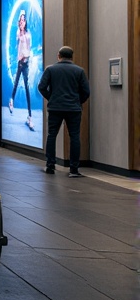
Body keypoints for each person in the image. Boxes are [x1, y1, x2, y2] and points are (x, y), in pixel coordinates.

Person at [38, 46, 90, 177]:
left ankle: (50, 166)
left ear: (58, 55)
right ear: (72, 57)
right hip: (73, 109)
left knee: (51, 135)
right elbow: (86, 92)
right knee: (74, 137)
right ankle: (73, 169)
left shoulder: (50, 69)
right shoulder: (79, 71)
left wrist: (52, 97)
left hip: (55, 108)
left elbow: (41, 87)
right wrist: (78, 101)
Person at [8, 9, 35, 130]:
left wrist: (26, 57)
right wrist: (21, 14)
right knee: (16, 83)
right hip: (20, 63)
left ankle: (30, 117)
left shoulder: (28, 34)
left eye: (24, 20)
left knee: (27, 88)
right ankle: (12, 100)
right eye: (20, 20)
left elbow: (29, 48)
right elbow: (18, 44)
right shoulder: (18, 33)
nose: (22, 22)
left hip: (26, 62)